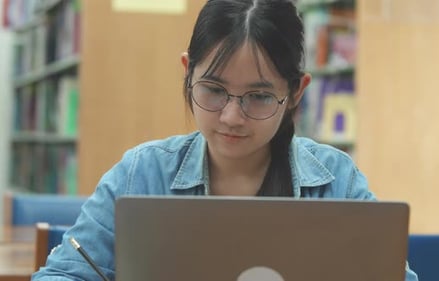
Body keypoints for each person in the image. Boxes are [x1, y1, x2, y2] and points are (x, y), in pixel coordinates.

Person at [32, 0, 418, 280]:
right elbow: (61, 275)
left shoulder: (337, 182)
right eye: (214, 90)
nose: (232, 117)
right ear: (187, 72)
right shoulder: (141, 173)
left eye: (260, 96)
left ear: (296, 93)